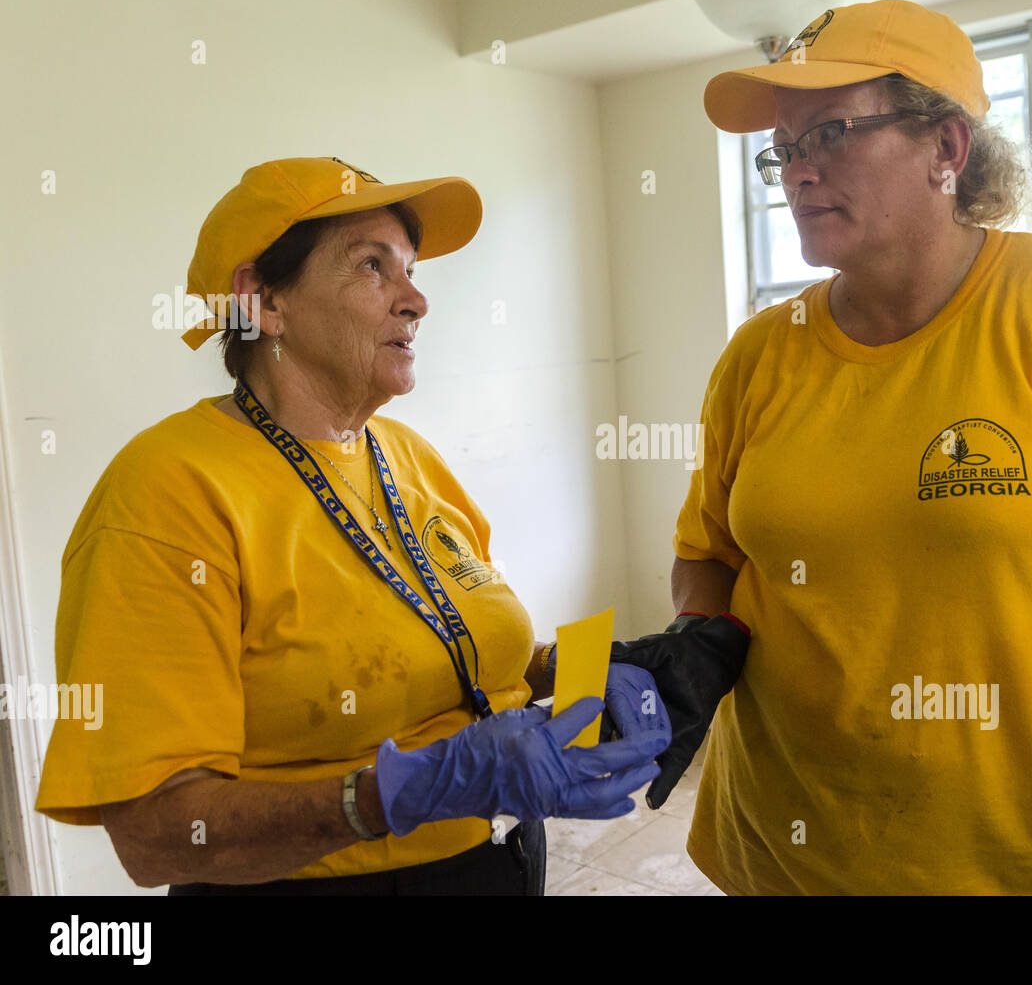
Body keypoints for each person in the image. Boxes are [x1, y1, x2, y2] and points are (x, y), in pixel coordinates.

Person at [614, 0, 1032, 894]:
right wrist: (703, 638)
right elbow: (707, 553)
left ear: (947, 147)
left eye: (828, 132)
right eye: (783, 149)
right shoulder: (760, 352)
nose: (796, 171)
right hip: (770, 854)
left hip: (1010, 869)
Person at [34, 156, 668, 895]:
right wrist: (391, 794)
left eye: (410, 268)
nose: (417, 300)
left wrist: (570, 670)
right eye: (374, 266)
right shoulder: (166, 493)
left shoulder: (409, 456)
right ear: (263, 304)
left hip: (500, 862)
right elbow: (156, 833)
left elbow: (450, 641)